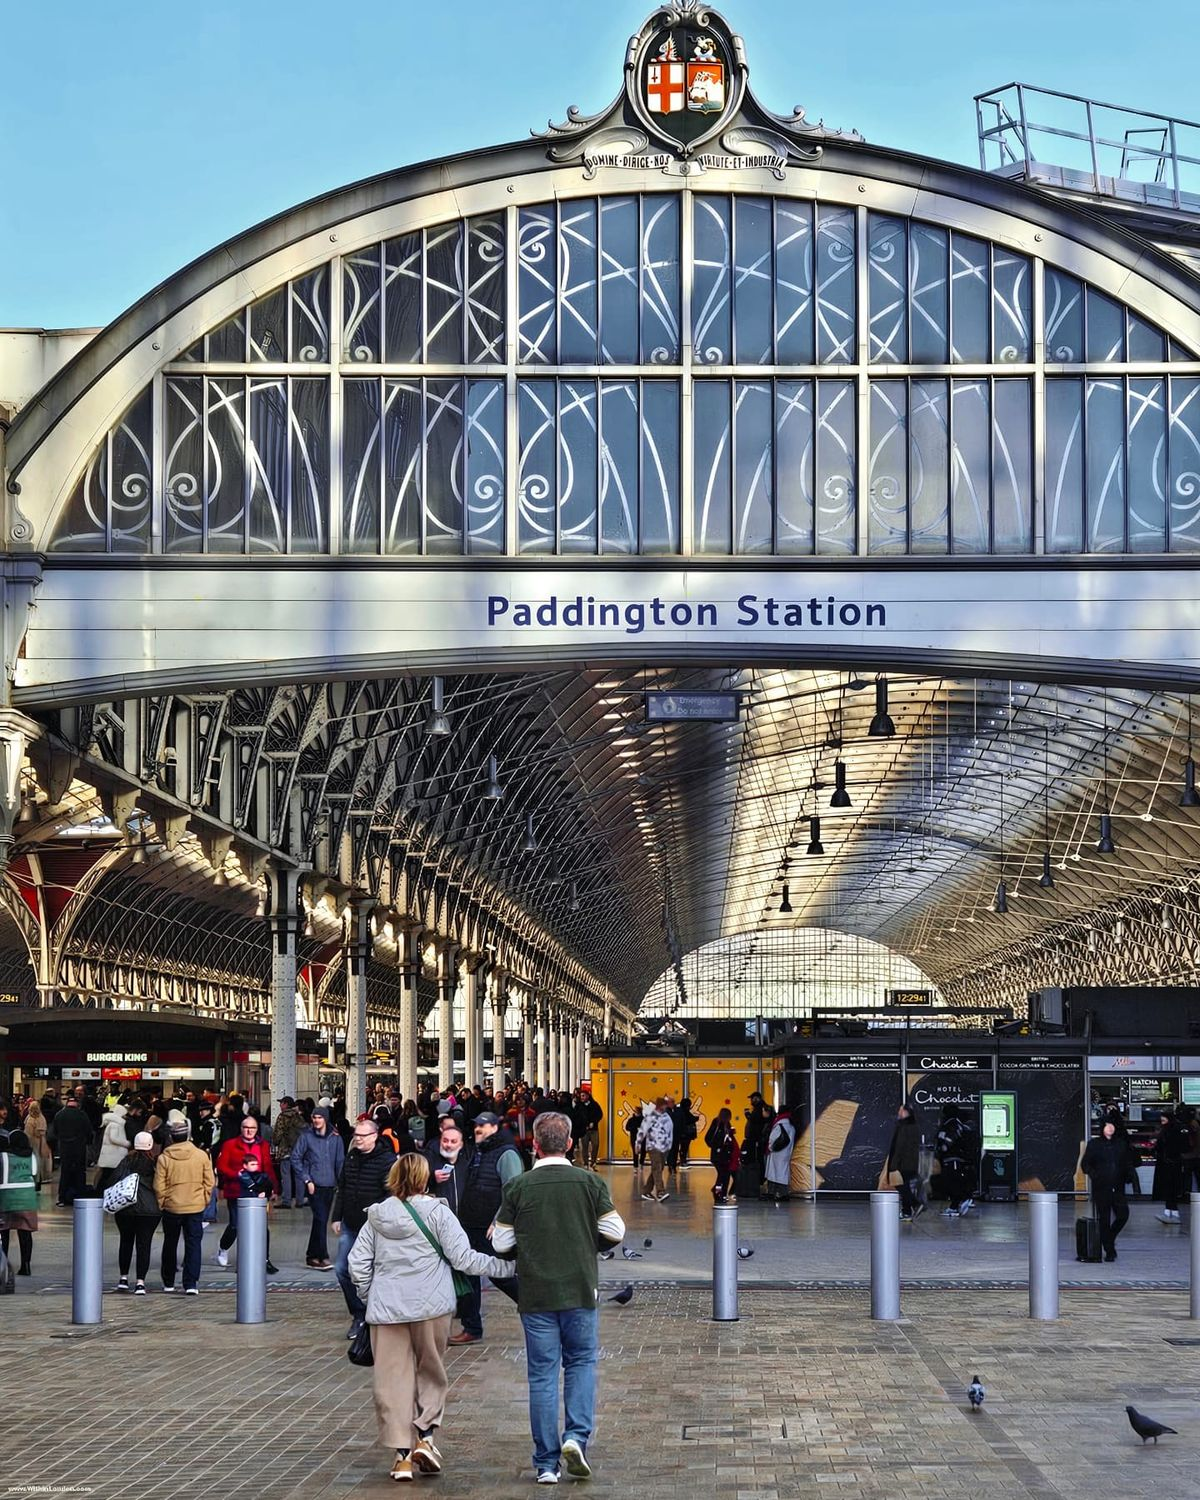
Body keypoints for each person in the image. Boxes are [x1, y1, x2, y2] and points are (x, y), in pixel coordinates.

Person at [349, 1152, 511, 1483]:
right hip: (431, 1307)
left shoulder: (377, 1217)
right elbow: (464, 1259)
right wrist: (507, 1267)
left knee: (392, 1381)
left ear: (394, 1178)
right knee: (431, 1372)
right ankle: (425, 1437)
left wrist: (369, 1297)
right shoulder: (439, 1214)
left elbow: (357, 1264)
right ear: (425, 1179)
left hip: (386, 1310)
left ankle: (402, 1458)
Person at [492, 1111, 625, 1484]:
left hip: (536, 1294)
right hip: (581, 1288)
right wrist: (587, 1244)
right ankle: (576, 1437)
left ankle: (546, 1463)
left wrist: (526, 1245)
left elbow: (501, 1242)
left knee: (542, 1376)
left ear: (534, 1145)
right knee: (581, 1363)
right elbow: (615, 1230)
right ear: (569, 1143)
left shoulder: (518, 1187)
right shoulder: (589, 1182)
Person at [450, 1110, 522, 1345]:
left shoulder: (506, 1154)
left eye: (482, 1126)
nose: (477, 1130)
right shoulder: (479, 1152)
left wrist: (498, 1220)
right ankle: (471, 1327)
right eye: (475, 1126)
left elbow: (513, 1191)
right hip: (470, 1223)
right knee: (467, 1272)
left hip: (489, 1227)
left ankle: (535, 1305)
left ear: (494, 1128)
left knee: (500, 1273)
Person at [332, 1115, 397, 1339]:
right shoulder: (351, 1157)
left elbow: (392, 1195)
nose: (357, 1139)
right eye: (355, 1135)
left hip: (375, 1228)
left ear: (374, 1136)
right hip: (350, 1224)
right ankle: (359, 1313)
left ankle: (378, 1315)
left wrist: (379, 1216)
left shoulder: (387, 1160)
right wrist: (336, 1217)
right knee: (342, 1268)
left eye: (362, 1135)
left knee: (376, 1272)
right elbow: (342, 1188)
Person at [154, 1116, 215, 1295]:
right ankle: (191, 1283)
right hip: (195, 1207)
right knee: (194, 1244)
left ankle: (168, 1281)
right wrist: (204, 1200)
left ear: (172, 1138)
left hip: (172, 1206)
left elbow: (159, 1185)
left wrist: (163, 1202)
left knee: (170, 1243)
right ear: (188, 1136)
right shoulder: (201, 1155)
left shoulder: (164, 1158)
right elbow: (209, 1181)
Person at [214, 1113, 279, 1274]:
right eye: (246, 1128)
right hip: (236, 1190)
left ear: (257, 1129)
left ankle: (264, 1260)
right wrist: (237, 1174)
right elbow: (221, 1166)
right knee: (237, 1226)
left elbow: (268, 1167)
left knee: (263, 1228)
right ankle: (224, 1247)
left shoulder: (263, 1145)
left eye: (252, 1128)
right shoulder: (230, 1145)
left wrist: (274, 1189)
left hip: (258, 1192)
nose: (249, 1131)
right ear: (241, 1129)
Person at [292, 1104, 344, 1269]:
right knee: (321, 1219)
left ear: (326, 1119)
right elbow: (296, 1157)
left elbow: (340, 1161)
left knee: (319, 1221)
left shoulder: (335, 1137)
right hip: (314, 1185)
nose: (316, 1120)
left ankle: (311, 1255)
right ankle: (323, 1256)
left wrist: (340, 1183)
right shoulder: (306, 1137)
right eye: (314, 1117)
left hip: (330, 1185)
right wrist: (307, 1179)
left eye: (319, 1117)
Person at [112, 1132, 162, 1294]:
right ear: (150, 1145)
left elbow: (113, 1180)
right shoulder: (154, 1164)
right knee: (144, 1245)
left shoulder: (126, 1160)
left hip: (125, 1208)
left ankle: (123, 1278)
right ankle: (140, 1282)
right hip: (149, 1210)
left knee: (125, 1242)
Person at [1083, 1114, 1137, 1261]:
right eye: (1107, 1125)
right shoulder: (1094, 1144)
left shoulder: (1120, 1144)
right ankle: (1109, 1250)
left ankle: (1108, 1239)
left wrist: (1129, 1177)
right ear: (1102, 1127)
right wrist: (1096, 1175)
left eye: (1112, 1125)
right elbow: (1085, 1164)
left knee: (1122, 1215)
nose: (1110, 1128)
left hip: (1118, 1187)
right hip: (1101, 1188)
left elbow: (1127, 1163)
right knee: (1104, 1219)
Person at [0, 1128, 39, 1277]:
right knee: (25, 1233)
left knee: (4, 1234)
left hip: (6, 1199)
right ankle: (26, 1266)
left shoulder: (3, 1157)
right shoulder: (32, 1157)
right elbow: (35, 1175)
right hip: (27, 1200)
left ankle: (3, 1266)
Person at [47, 1094, 93, 1206]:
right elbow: (89, 1131)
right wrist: (87, 1142)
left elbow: (54, 1132)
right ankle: (79, 1197)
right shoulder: (82, 1115)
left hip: (64, 1148)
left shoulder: (59, 1115)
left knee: (65, 1173)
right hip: (79, 1148)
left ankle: (62, 1198)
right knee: (80, 1172)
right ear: (77, 1104)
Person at [936, 1104, 978, 1217]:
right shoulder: (955, 1123)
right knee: (952, 1181)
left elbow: (949, 1139)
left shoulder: (952, 1123)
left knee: (952, 1182)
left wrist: (943, 1146)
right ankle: (960, 1202)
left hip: (952, 1158)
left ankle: (957, 1204)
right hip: (953, 1158)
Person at [423, 1121, 469, 1215]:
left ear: (461, 1145)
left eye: (453, 1141)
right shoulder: (429, 1160)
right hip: (438, 1217)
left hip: (463, 1218)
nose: (448, 1145)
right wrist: (432, 1177)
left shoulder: (467, 1162)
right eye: (445, 1140)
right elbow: (415, 1183)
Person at [887, 1104, 923, 1222]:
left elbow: (899, 1147)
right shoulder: (914, 1126)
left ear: (907, 1112)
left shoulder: (904, 1127)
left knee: (901, 1185)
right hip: (911, 1162)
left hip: (903, 1162)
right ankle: (908, 1209)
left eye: (901, 1110)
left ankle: (913, 1205)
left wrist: (893, 1165)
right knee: (904, 1185)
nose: (899, 1112)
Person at [635, 1098, 674, 1203]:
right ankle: (660, 1192)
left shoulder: (667, 1117)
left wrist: (669, 1145)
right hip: (653, 1146)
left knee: (658, 1168)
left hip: (664, 1147)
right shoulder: (650, 1117)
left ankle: (646, 1190)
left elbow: (669, 1131)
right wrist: (638, 1144)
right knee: (657, 1167)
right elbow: (642, 1131)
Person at [271, 1095, 306, 1208]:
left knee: (286, 1175)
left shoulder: (282, 1116)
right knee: (299, 1175)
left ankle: (287, 1200)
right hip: (298, 1150)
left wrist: (275, 1142)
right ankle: (300, 1200)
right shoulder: (298, 1116)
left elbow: (278, 1133)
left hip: (285, 1149)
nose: (280, 1105)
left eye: (281, 1103)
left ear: (286, 1104)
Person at [1154, 1111, 1187, 1223]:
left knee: (1168, 1187)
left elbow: (1161, 1146)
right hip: (1175, 1163)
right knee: (1173, 1188)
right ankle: (1172, 1211)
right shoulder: (1178, 1129)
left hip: (1166, 1164)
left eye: (1163, 1120)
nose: (1162, 1122)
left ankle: (1169, 1211)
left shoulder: (1167, 1131)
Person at [94, 1100, 131, 1191]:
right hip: (113, 1156)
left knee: (106, 1175)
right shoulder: (116, 1125)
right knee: (108, 1176)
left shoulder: (112, 1123)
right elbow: (114, 1138)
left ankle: (100, 1191)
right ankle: (101, 1192)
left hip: (110, 1155)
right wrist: (126, 1143)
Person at [763, 1105, 797, 1203]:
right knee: (783, 1172)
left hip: (777, 1153)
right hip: (786, 1153)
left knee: (774, 1173)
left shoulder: (779, 1124)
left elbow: (772, 1139)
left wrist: (770, 1148)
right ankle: (784, 1193)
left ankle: (773, 1193)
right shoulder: (790, 1125)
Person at [704, 1108, 739, 1203]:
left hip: (725, 1155)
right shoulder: (717, 1123)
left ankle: (721, 1193)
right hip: (719, 1156)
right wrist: (717, 1146)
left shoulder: (727, 1125)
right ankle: (719, 1193)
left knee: (724, 1176)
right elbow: (708, 1138)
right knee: (723, 1176)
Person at [21, 1099, 52, 1192]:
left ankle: (36, 1180)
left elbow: (31, 1133)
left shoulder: (32, 1119)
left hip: (34, 1142)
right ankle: (38, 1179)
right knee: (39, 1161)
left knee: (36, 1161)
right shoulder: (40, 1118)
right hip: (38, 1141)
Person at [570, 1090, 604, 1172]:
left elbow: (600, 1114)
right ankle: (585, 1163)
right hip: (584, 1129)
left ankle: (593, 1162)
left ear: (588, 1096)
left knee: (595, 1145)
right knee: (584, 1146)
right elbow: (576, 1116)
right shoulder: (579, 1106)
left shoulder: (594, 1105)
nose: (582, 1097)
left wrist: (594, 1121)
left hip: (594, 1129)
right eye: (581, 1096)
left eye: (583, 1096)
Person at [670, 1097, 698, 1172]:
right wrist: (696, 1118)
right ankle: (682, 1162)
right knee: (684, 1148)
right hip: (685, 1134)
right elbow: (690, 1119)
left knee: (677, 1149)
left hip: (678, 1133)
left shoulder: (677, 1111)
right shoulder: (684, 1112)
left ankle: (675, 1163)